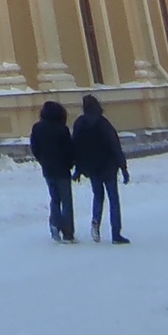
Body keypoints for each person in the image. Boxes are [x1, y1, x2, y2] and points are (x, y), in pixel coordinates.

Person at [72, 94, 130, 242]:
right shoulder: (104, 123)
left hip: (92, 167)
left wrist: (78, 169)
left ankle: (95, 221)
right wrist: (123, 167)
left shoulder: (79, 124)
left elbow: (76, 147)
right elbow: (114, 145)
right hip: (108, 166)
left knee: (98, 196)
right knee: (113, 199)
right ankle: (116, 234)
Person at [29, 98, 77, 239]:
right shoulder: (62, 129)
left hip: (48, 168)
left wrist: (42, 160)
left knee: (54, 198)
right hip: (62, 169)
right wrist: (70, 163)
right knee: (66, 201)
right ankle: (68, 232)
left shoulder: (37, 128)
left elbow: (35, 147)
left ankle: (55, 225)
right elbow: (69, 149)